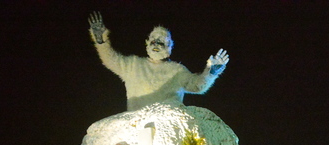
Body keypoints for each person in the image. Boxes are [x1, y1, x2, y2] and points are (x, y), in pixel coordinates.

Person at [88, 12, 229, 111]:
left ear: (170, 47)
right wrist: (101, 41)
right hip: (136, 125)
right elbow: (110, 60)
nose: (157, 44)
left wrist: (211, 72)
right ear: (147, 42)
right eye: (154, 39)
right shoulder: (133, 65)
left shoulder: (177, 70)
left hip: (167, 126)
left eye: (162, 41)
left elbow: (197, 86)